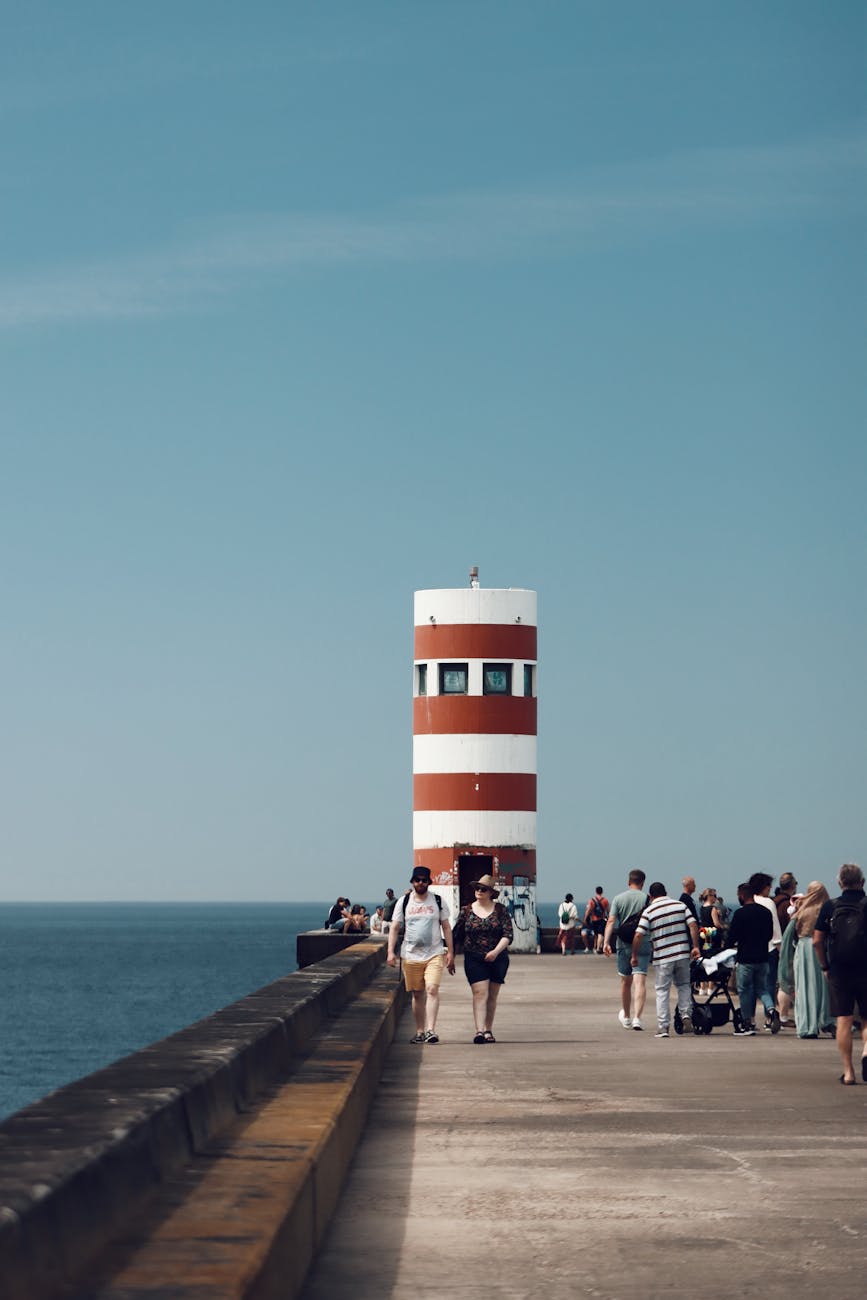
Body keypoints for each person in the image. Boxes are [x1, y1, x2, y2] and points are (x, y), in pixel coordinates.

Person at [387, 866, 455, 1044]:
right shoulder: (404, 902)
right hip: (410, 955)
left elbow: (446, 927)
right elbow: (394, 927)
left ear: (429, 882)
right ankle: (419, 1031)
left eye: (424, 880)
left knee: (432, 989)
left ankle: (431, 1030)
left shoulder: (438, 901)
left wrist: (450, 952)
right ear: (412, 881)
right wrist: (390, 952)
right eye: (417, 880)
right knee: (417, 994)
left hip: (434, 953)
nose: (420, 883)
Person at [813, 863, 867, 1086]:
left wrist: (825, 966)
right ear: (862, 882)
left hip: (839, 970)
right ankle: (866, 1053)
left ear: (840, 883)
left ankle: (848, 1072)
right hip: (865, 968)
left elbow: (817, 940)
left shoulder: (830, 906)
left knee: (843, 1019)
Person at [632, 882, 700, 1039]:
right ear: (666, 892)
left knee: (662, 990)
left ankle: (663, 1027)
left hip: (663, 957)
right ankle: (685, 1014)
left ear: (651, 896)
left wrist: (634, 955)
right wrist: (695, 946)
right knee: (683, 985)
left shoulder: (649, 911)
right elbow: (693, 925)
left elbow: (638, 935)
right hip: (682, 953)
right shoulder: (680, 905)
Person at [451, 874, 513, 1043]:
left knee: (492, 996)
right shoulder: (466, 910)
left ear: (491, 892)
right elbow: (457, 934)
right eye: (477, 888)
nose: (479, 891)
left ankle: (488, 1030)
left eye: (483, 889)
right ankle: (479, 1031)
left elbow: (508, 934)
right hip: (474, 957)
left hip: (498, 958)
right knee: (480, 993)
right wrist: (450, 956)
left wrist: (495, 952)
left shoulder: (501, 910)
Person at [603, 869, 650, 1030]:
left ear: (628, 882)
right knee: (640, 981)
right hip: (643, 942)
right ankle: (638, 1018)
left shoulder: (618, 898)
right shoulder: (648, 899)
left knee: (625, 982)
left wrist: (606, 942)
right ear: (643, 883)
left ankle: (627, 1017)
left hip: (623, 944)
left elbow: (611, 921)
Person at [727, 881, 774, 1035]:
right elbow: (769, 935)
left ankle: (747, 1022)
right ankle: (772, 1010)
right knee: (762, 989)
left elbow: (732, 936)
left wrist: (724, 949)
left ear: (741, 895)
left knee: (744, 990)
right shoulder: (766, 912)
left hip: (746, 959)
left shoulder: (740, 914)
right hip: (762, 957)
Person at [791, 882, 831, 1038]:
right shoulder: (826, 909)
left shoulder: (802, 910)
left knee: (805, 987)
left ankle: (807, 1025)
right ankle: (827, 1020)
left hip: (803, 948)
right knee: (824, 988)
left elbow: (793, 931)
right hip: (822, 948)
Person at [748, 872, 782, 1030]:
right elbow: (775, 929)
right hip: (769, 948)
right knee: (768, 984)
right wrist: (780, 948)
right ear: (764, 887)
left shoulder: (749, 901)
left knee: (750, 987)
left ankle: (751, 1019)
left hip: (751, 949)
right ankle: (769, 1018)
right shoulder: (769, 903)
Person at [585, 887, 609, 953]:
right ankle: (598, 948)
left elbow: (588, 910)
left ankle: (597, 947)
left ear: (596, 891)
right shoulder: (605, 900)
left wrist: (585, 918)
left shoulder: (592, 900)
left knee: (596, 934)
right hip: (602, 919)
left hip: (594, 919)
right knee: (600, 933)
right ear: (602, 891)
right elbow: (608, 911)